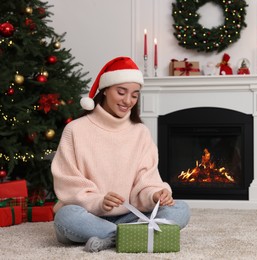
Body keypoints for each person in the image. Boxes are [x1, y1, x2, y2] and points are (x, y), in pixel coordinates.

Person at [51, 56, 191, 252]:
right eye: (121, 92)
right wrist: (99, 201)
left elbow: (146, 180)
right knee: (66, 217)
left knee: (181, 209)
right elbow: (68, 183)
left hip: (131, 216)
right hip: (89, 216)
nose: (128, 101)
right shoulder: (75, 130)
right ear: (106, 90)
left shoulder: (140, 132)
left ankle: (111, 238)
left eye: (134, 95)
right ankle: (133, 236)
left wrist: (155, 195)